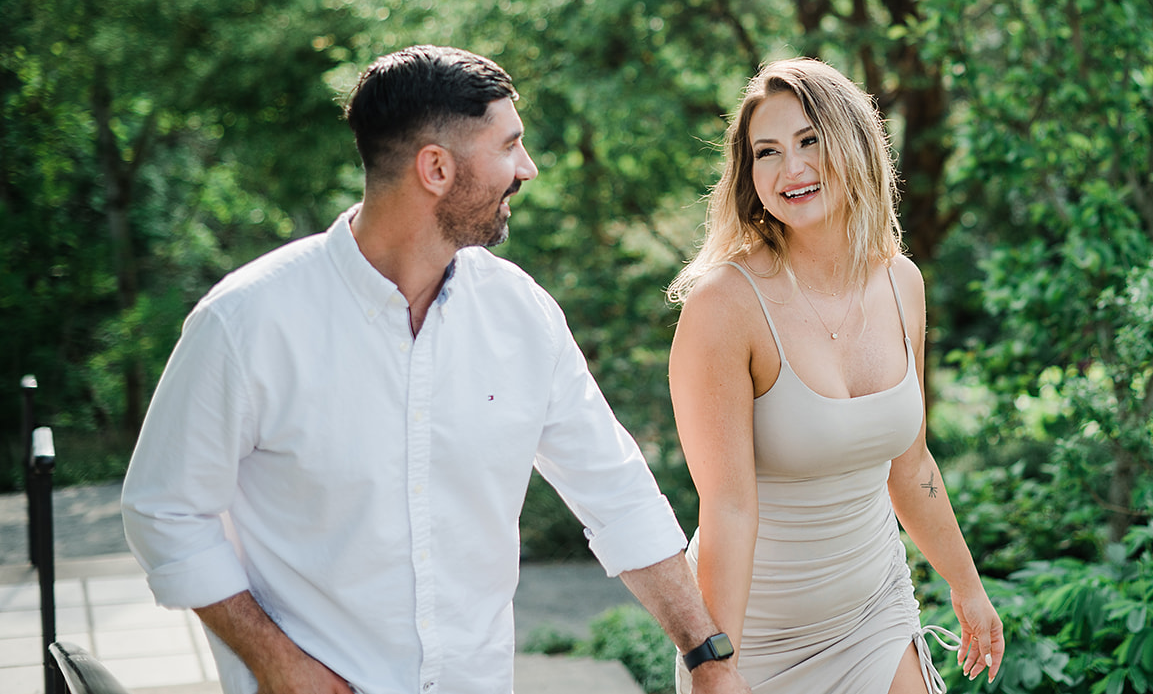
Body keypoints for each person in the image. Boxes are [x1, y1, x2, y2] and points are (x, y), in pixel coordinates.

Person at [122, 45, 749, 694]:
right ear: (436, 168)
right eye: (509, 146)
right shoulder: (246, 322)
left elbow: (615, 493)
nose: (526, 169)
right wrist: (275, 659)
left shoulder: (521, 315)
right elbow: (163, 508)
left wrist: (708, 655)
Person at [666, 57, 1004, 693]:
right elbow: (729, 508)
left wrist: (968, 588)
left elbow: (912, 466)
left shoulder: (902, 282)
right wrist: (718, 666)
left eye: (810, 141)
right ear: (749, 175)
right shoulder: (725, 305)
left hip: (874, 613)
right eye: (767, 152)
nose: (791, 169)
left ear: (854, 144)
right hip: (759, 636)